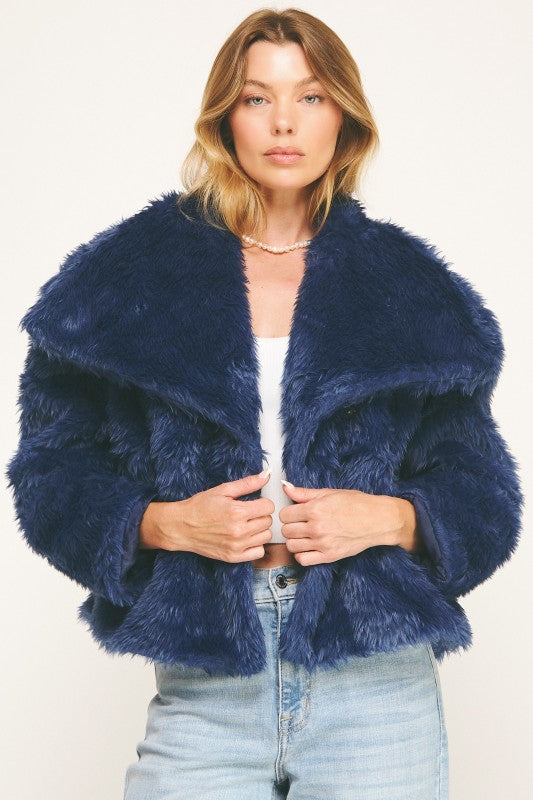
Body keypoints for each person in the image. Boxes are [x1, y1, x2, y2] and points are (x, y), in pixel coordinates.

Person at [6, 8, 523, 800]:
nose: (284, 122)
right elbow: (50, 472)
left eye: (310, 97)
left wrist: (391, 518)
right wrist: (158, 524)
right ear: (225, 117)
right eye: (257, 98)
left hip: (374, 680)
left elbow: (482, 495)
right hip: (208, 674)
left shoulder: (411, 292)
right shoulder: (125, 282)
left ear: (344, 118)